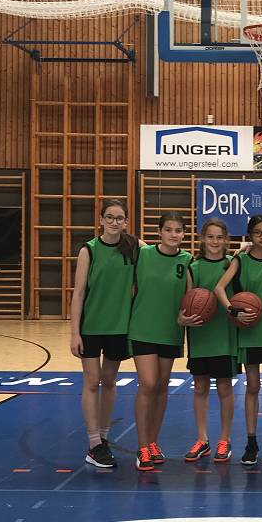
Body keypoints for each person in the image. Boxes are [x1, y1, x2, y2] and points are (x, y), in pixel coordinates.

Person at [69, 199, 138, 470]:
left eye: (119, 218)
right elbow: (78, 293)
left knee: (109, 381)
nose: (114, 222)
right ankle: (94, 443)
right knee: (92, 381)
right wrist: (74, 332)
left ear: (126, 222)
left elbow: (163, 251)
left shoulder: (133, 246)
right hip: (91, 327)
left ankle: (104, 438)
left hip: (119, 327)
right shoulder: (89, 250)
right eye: (109, 217)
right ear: (100, 220)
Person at [215, 214, 262, 466]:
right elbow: (219, 288)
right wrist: (232, 310)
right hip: (250, 329)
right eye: (257, 232)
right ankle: (251, 441)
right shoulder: (241, 260)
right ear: (250, 235)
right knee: (253, 386)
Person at [128, 212, 191, 472]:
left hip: (170, 331)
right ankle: (142, 446)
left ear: (184, 234)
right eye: (168, 230)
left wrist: (185, 315)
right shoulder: (143, 254)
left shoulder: (187, 261)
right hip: (142, 329)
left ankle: (153, 442)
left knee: (162, 387)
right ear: (159, 232)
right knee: (149, 384)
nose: (173, 235)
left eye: (178, 230)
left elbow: (191, 296)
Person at [182, 218, 238, 464]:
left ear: (225, 240)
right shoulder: (193, 267)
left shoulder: (232, 264)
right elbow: (188, 299)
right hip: (200, 334)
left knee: (225, 387)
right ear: (202, 239)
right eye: (211, 237)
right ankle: (202, 439)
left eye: (219, 237)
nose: (215, 241)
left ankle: (224, 439)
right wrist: (185, 317)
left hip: (224, 335)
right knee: (200, 387)